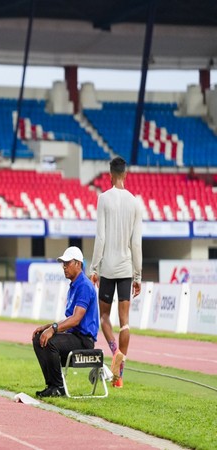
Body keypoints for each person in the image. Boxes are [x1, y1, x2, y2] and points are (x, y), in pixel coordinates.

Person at [89, 156, 143, 389]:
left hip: (108, 268)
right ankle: (119, 376)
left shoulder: (103, 198)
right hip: (126, 268)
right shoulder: (134, 202)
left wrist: (93, 267)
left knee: (104, 318)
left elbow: (100, 236)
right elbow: (137, 243)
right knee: (125, 323)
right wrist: (138, 275)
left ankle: (114, 351)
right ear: (126, 174)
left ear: (110, 174)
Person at [32, 246, 99, 397]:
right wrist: (47, 327)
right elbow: (70, 319)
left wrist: (53, 329)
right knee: (39, 338)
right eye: (63, 263)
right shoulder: (75, 285)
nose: (64, 267)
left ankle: (58, 387)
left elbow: (75, 320)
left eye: (67, 263)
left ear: (78, 264)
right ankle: (52, 385)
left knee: (50, 341)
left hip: (84, 341)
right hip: (74, 337)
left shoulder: (84, 286)